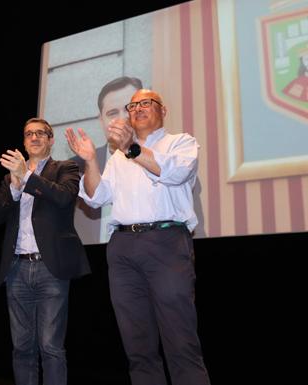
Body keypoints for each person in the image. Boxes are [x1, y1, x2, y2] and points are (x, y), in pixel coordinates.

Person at [65, 89, 211, 385]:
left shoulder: (180, 143)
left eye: (147, 103)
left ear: (163, 110)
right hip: (123, 248)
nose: (138, 109)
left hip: (167, 244)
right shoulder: (119, 157)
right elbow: (96, 197)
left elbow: (173, 172)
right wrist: (91, 161)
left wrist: (132, 146)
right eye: (133, 105)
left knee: (180, 340)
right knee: (137, 344)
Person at [0, 118, 90, 385]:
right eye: (29, 134)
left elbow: (63, 197)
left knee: (50, 347)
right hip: (17, 269)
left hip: (50, 267)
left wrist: (28, 176)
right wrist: (14, 186)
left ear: (51, 139)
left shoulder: (66, 167)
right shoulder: (10, 177)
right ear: (23, 141)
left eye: (41, 133)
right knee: (22, 347)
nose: (34, 138)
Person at [71, 76, 143, 244]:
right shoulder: (77, 166)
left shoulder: (164, 159)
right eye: (112, 113)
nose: (122, 118)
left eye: (129, 108)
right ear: (101, 120)